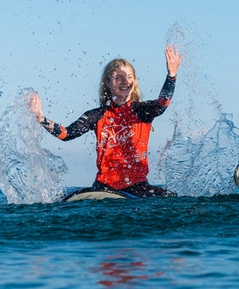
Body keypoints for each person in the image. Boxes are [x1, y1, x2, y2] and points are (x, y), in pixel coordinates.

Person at [28, 45, 182, 197]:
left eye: (129, 77)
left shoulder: (142, 111)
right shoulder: (97, 115)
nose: (125, 81)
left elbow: (162, 103)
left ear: (134, 81)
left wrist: (171, 75)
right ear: (107, 82)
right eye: (118, 77)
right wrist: (41, 118)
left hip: (137, 187)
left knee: (172, 198)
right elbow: (67, 134)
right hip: (104, 187)